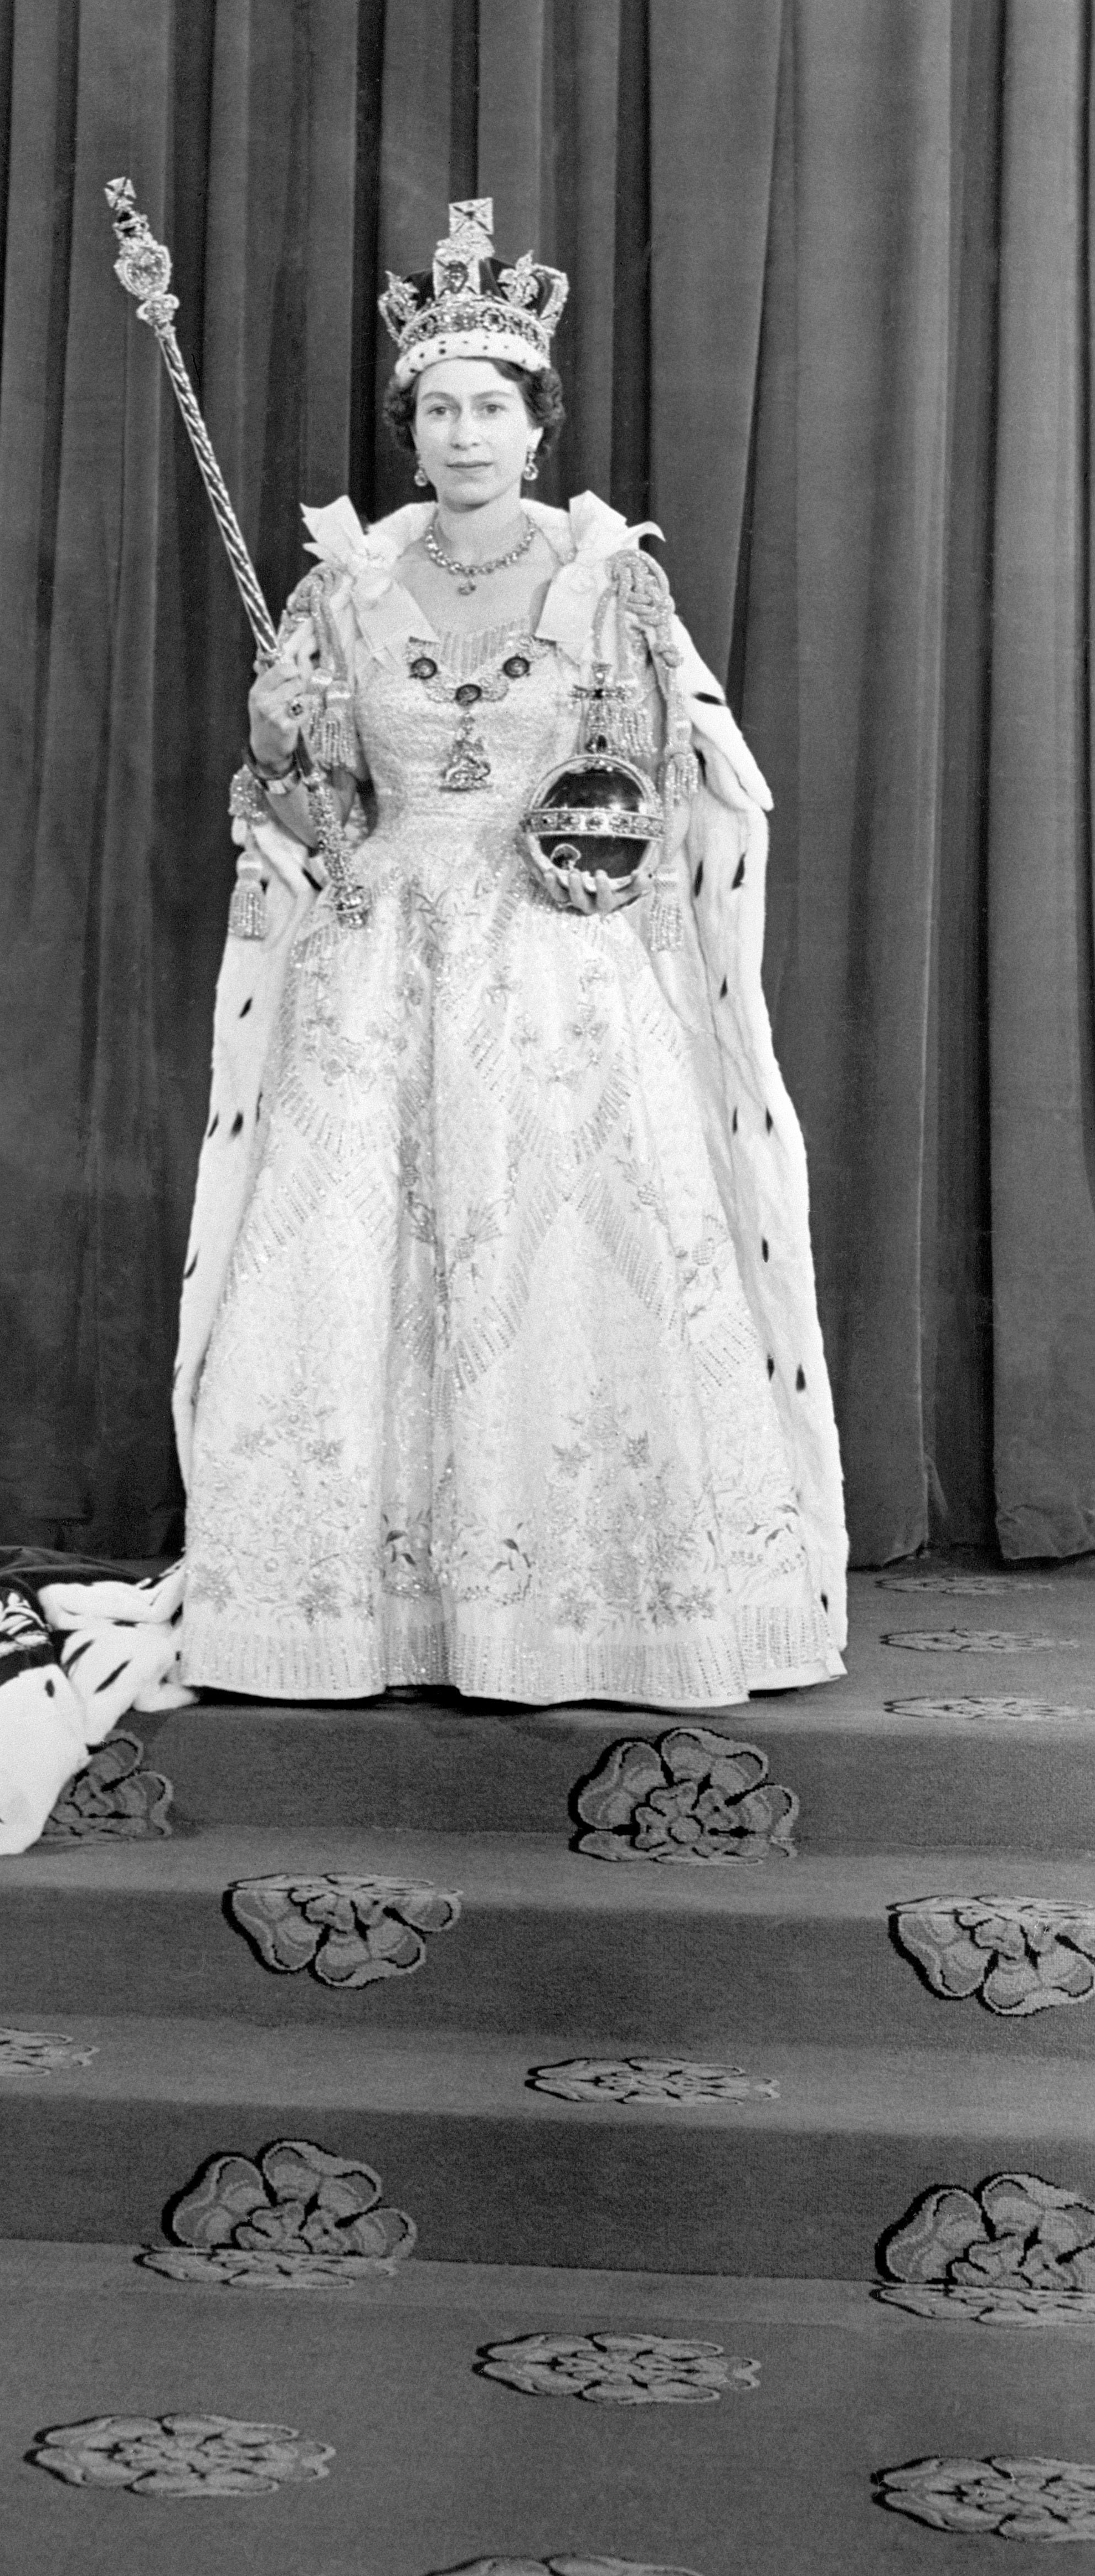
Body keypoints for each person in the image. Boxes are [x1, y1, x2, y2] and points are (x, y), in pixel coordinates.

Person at [172, 200, 847, 1711]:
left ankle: (598, 1603)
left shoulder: (613, 583)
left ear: (536, 427)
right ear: (407, 431)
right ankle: (361, 1610)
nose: (463, 431)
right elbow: (316, 819)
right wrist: (277, 742)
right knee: (368, 1257)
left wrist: (582, 817)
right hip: (376, 964)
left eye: (490, 406)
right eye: (437, 409)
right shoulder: (332, 589)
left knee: (561, 1246)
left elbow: (651, 784)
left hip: (560, 966)